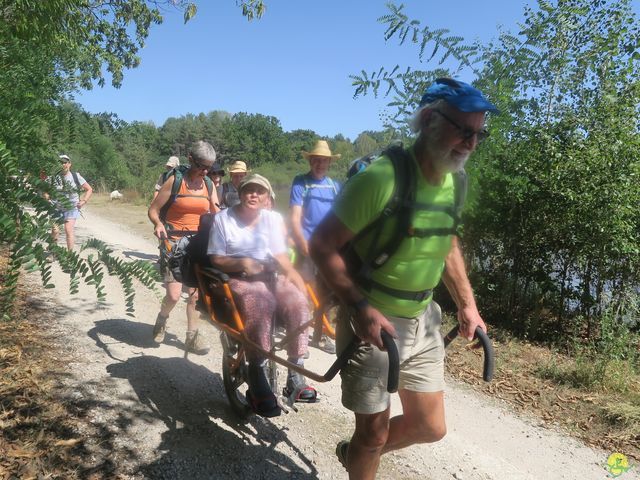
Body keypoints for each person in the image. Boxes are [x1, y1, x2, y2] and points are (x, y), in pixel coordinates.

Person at [309, 78, 495, 479]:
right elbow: (321, 246)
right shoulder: (381, 179)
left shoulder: (454, 180)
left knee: (431, 427)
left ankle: (358, 452)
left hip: (424, 318)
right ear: (429, 120)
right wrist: (359, 307)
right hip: (371, 321)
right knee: (373, 433)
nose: (471, 143)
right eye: (463, 130)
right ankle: (366, 449)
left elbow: (447, 243)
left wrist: (467, 305)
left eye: (479, 133)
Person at [208, 173, 316, 417]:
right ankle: (257, 370)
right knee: (261, 302)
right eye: (248, 190)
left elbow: (279, 254)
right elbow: (216, 258)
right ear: (241, 193)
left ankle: (295, 374)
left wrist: (296, 277)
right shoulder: (223, 219)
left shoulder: (272, 219)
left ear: (267, 196)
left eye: (259, 191)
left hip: (270, 275)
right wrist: (242, 263)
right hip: (239, 278)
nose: (253, 195)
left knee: (299, 301)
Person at [148, 141, 220, 355]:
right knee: (173, 295)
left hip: (198, 244)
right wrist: (158, 224)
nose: (205, 172)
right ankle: (162, 318)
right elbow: (153, 210)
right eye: (201, 166)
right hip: (173, 242)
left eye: (209, 167)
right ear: (190, 159)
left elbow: (216, 213)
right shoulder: (174, 181)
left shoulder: (208, 185)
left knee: (196, 295)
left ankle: (192, 336)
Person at [289, 140, 341, 353]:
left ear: (329, 162)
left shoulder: (336, 186)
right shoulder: (301, 182)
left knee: (325, 295)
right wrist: (302, 244)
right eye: (316, 160)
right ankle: (299, 339)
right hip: (307, 245)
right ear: (310, 161)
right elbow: (294, 218)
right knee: (303, 293)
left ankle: (319, 336)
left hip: (329, 247)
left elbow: (341, 218)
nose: (320, 164)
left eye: (324, 161)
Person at [50, 154, 93, 250]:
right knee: (55, 230)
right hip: (56, 207)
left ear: (69, 164)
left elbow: (89, 189)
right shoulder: (54, 177)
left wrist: (83, 201)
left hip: (71, 207)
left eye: (65, 162)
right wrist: (46, 195)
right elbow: (45, 188)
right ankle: (53, 252)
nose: (63, 165)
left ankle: (70, 257)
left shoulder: (75, 176)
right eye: (60, 163)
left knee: (68, 230)